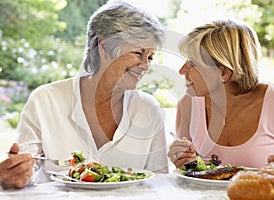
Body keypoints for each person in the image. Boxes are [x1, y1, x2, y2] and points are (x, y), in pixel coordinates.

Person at [0, 1, 169, 189]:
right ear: (103, 47)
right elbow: (22, 178)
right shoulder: (44, 100)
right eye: (138, 52)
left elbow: (159, 184)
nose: (146, 66)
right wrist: (13, 176)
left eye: (150, 57)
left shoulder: (149, 110)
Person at [168, 19, 274, 169]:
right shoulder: (188, 104)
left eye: (193, 64)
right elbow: (187, 175)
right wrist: (185, 162)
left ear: (223, 73)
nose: (181, 71)